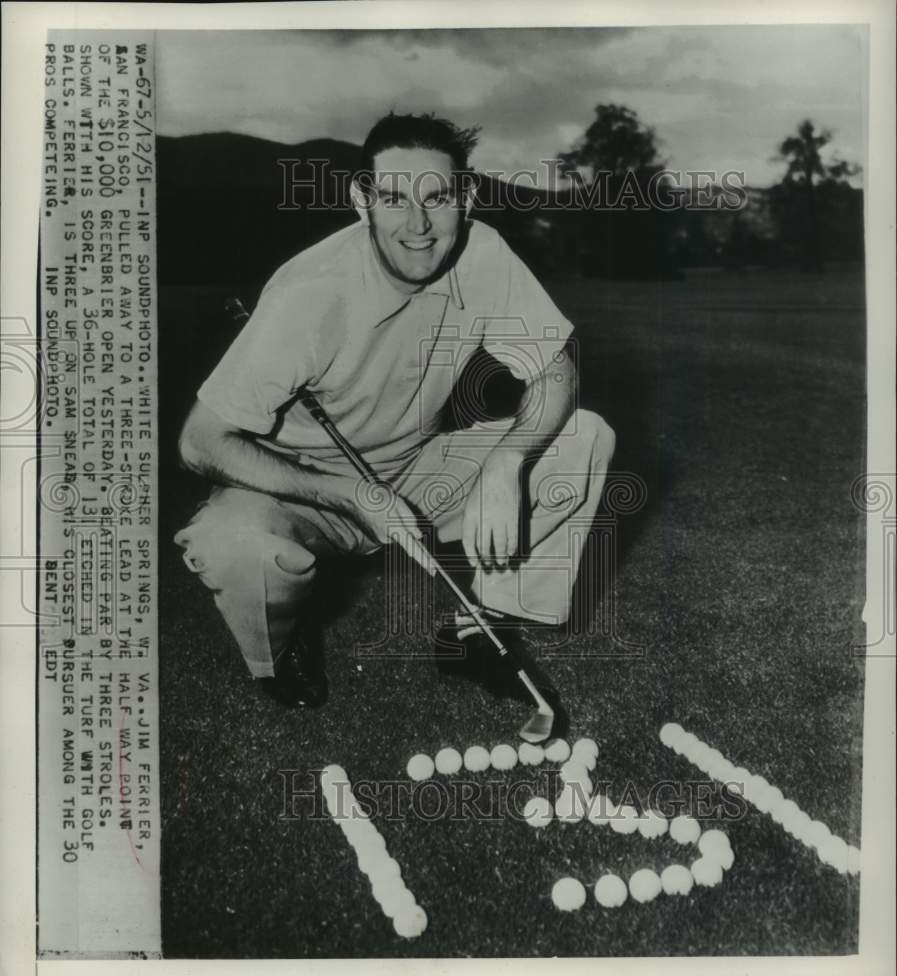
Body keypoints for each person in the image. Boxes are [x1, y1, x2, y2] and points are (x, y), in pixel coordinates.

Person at [174, 112, 615, 708]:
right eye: (393, 198)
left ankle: (480, 628)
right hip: (303, 490)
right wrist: (350, 494)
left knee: (583, 436)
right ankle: (279, 650)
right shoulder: (309, 293)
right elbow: (200, 439)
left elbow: (555, 370)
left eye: (437, 197)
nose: (418, 224)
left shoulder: (482, 254)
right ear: (363, 202)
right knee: (234, 545)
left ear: (467, 197)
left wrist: (506, 463)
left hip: (420, 469)